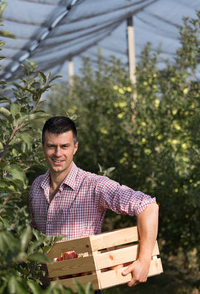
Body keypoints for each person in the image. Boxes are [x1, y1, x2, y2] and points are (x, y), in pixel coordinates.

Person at [29, 116, 159, 288]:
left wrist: (144, 260)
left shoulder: (94, 185)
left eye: (64, 146)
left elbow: (147, 205)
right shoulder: (37, 186)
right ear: (43, 147)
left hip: (82, 288)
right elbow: (35, 233)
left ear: (75, 147)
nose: (58, 153)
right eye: (51, 146)